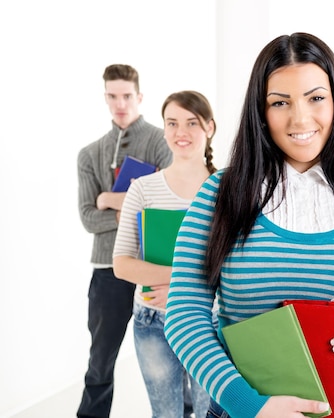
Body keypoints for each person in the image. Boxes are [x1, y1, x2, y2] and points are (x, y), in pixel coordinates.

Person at [163, 32, 334, 418]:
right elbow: (184, 315)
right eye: (280, 102)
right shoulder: (218, 196)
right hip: (249, 408)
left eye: (316, 98)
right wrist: (249, 405)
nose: (300, 118)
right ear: (261, 111)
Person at [112, 90, 217, 417]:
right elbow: (121, 264)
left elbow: (238, 267)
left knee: (210, 412)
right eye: (172, 123)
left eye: (191, 123)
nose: (180, 132)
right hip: (153, 320)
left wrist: (182, 290)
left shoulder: (227, 190)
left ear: (209, 128)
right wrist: (183, 279)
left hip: (210, 320)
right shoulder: (143, 188)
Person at [76, 64, 172, 418]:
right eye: (112, 96)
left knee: (175, 353)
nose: (120, 103)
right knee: (100, 360)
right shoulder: (89, 154)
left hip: (154, 266)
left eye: (127, 95)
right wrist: (130, 203)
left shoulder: (164, 139)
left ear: (139, 96)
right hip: (106, 270)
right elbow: (88, 218)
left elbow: (164, 201)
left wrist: (108, 198)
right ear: (105, 98)